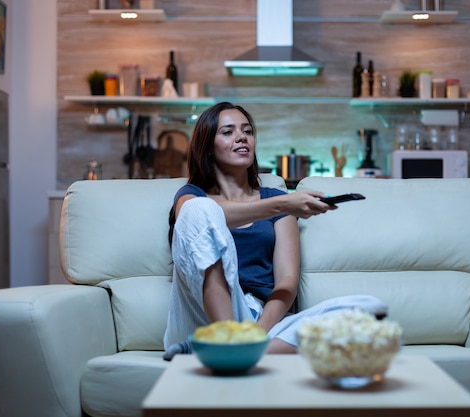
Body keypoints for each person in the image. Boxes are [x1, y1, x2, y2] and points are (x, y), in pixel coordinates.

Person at [163, 102, 386, 359]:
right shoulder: (192, 197)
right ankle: (224, 339)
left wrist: (258, 331)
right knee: (199, 210)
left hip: (259, 322)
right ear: (208, 148)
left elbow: (286, 282)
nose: (241, 137)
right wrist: (283, 204)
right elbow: (206, 214)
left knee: (369, 310)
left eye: (247, 131)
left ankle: (239, 349)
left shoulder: (277, 200)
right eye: (228, 132)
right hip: (198, 317)